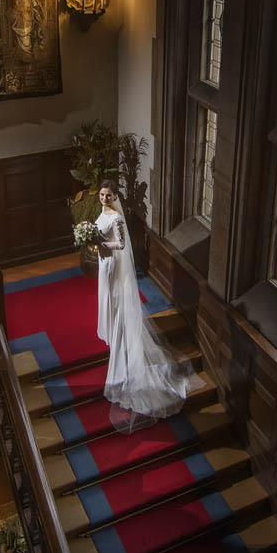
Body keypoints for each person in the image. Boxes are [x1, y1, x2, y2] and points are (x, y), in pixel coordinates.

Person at [94, 180, 197, 432]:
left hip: (113, 266)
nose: (104, 199)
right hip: (104, 264)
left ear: (115, 196)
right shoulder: (102, 212)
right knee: (107, 301)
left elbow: (121, 244)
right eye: (101, 195)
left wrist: (100, 243)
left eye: (108, 195)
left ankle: (123, 361)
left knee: (117, 305)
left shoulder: (117, 218)